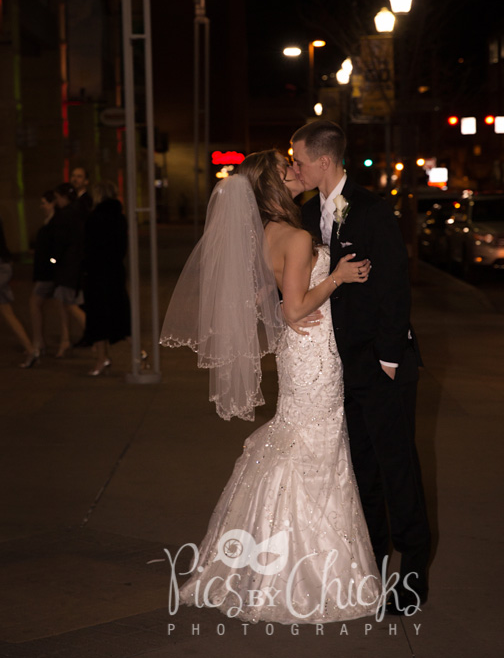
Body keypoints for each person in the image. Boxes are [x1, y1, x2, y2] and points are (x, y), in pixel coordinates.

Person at [160, 151, 383, 624]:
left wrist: (282, 301)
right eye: (288, 169)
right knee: (316, 444)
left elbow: (267, 293)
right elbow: (295, 308)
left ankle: (277, 555)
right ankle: (310, 571)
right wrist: (338, 277)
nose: (296, 172)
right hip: (313, 351)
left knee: (304, 439)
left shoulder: (264, 232)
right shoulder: (296, 236)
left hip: (299, 350)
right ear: (274, 185)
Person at [291, 120, 431, 614]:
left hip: (381, 365)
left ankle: (412, 575)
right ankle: (371, 568)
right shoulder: (306, 213)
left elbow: (394, 285)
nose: (295, 169)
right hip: (338, 367)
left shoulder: (371, 209)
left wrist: (388, 359)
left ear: (324, 161)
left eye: (299, 161)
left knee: (398, 471)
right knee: (362, 471)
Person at [82, 181, 131, 376]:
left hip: (97, 273)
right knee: (120, 314)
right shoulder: (120, 217)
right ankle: (139, 353)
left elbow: (88, 248)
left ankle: (102, 358)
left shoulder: (94, 218)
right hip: (115, 271)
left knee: (97, 318)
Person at [28, 190, 70, 362]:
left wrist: (52, 261)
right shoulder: (53, 222)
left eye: (44, 203)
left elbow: (55, 249)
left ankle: (39, 342)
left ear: (53, 203)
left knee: (37, 302)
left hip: (50, 273)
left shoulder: (55, 223)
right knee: (62, 305)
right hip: (52, 272)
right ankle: (61, 341)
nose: (42, 206)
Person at [0, 205, 36, 365]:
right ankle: (30, 350)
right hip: (0, 265)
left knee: (6, 311)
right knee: (7, 312)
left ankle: (31, 350)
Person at [52, 183, 86, 355]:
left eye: (57, 197)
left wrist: (53, 259)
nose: (56, 201)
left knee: (70, 304)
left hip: (69, 266)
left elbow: (60, 242)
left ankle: (97, 337)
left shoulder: (65, 215)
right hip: (74, 265)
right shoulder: (77, 211)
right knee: (64, 303)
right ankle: (65, 339)